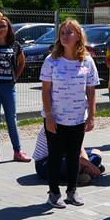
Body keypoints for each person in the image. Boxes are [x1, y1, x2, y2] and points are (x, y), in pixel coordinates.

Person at [40, 19, 99, 208]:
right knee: (55, 157)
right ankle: (53, 194)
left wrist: (91, 116)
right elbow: (45, 90)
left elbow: (91, 90)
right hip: (55, 119)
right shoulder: (51, 61)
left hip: (77, 120)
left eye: (69, 32)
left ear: (78, 36)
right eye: (62, 32)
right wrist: (49, 115)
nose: (65, 36)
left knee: (74, 157)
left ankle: (72, 192)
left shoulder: (87, 61)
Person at [0, 16, 30, 165]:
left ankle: (17, 152)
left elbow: (22, 62)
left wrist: (14, 77)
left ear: (8, 28)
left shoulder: (15, 45)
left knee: (12, 119)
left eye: (3, 26)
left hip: (9, 88)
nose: (1, 29)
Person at [32, 127, 105, 186]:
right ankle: (76, 176)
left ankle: (83, 172)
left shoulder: (73, 124)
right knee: (76, 163)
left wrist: (88, 164)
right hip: (44, 164)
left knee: (97, 153)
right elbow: (72, 155)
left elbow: (79, 147)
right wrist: (90, 165)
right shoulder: (56, 126)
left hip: (64, 157)